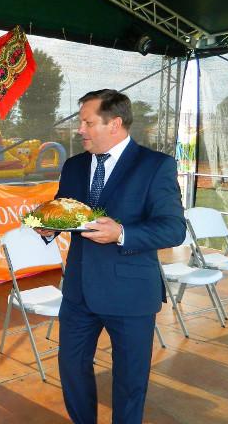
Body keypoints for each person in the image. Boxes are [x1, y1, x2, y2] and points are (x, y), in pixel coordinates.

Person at [38, 89, 185, 424]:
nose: (80, 129)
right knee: (72, 370)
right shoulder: (74, 166)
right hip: (79, 292)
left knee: (130, 381)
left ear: (115, 124)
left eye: (88, 122)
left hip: (131, 295)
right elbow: (64, 211)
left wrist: (122, 233)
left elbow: (173, 228)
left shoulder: (155, 166)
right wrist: (49, 228)